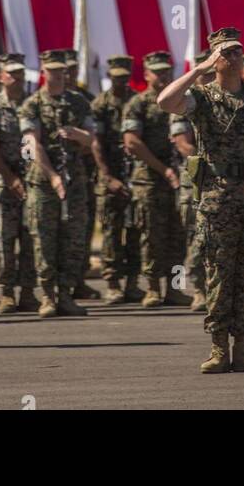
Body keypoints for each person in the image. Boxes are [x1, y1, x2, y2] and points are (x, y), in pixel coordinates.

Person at [158, 27, 244, 375]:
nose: (234, 57)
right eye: (226, 52)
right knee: (219, 273)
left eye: (238, 51)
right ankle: (218, 348)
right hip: (219, 198)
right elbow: (165, 101)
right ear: (213, 58)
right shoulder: (203, 97)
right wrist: (198, 70)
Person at [20, 50, 94, 318]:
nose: (58, 74)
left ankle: (66, 294)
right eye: (52, 70)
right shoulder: (33, 104)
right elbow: (32, 143)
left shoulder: (78, 101)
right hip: (42, 182)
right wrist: (52, 176)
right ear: (43, 72)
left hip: (74, 180)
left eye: (61, 70)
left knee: (73, 238)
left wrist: (78, 134)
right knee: (44, 240)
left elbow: (91, 139)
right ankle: (48, 296)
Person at [122, 51, 191, 310]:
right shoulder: (138, 103)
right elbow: (132, 142)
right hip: (149, 181)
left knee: (178, 235)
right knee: (151, 235)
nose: (162, 75)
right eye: (157, 71)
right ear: (147, 74)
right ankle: (152, 288)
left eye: (166, 71)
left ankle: (174, 288)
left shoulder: (182, 101)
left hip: (180, 179)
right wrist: (163, 170)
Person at [91, 54, 142, 304]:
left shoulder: (137, 101)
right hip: (109, 174)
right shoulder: (100, 104)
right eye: (116, 77)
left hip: (135, 175)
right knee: (111, 230)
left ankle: (133, 283)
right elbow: (96, 143)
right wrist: (106, 176)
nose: (120, 82)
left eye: (124, 77)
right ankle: (112, 283)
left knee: (135, 229)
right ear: (109, 76)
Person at [0, 53, 38, 313]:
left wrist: (30, 176)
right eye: (12, 74)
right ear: (1, 77)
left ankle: (28, 291)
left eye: (20, 73)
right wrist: (9, 178)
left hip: (31, 181)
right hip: (3, 183)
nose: (17, 78)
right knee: (4, 239)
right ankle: (7, 292)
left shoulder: (32, 104)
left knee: (30, 238)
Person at [169, 51, 214, 312]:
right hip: (195, 182)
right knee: (197, 236)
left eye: (212, 74)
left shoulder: (227, 100)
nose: (208, 79)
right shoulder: (186, 104)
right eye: (204, 74)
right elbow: (182, 142)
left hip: (222, 182)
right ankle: (198, 288)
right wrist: (209, 158)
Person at [64, 51, 99, 300]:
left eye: (73, 69)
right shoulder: (37, 101)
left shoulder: (83, 100)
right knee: (54, 233)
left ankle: (78, 280)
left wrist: (79, 137)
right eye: (64, 70)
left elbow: (92, 142)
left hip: (82, 174)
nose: (69, 74)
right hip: (50, 178)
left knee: (80, 231)